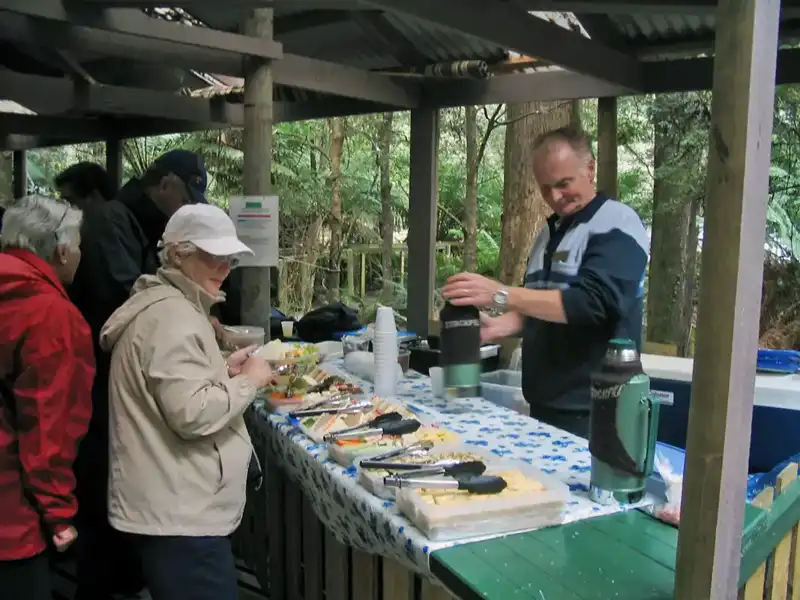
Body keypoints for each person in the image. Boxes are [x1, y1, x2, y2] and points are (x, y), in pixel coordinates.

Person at [99, 204, 272, 600]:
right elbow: (191, 414)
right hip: (181, 519)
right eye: (212, 256)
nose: (224, 267)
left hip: (172, 509)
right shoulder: (173, 317)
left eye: (229, 258)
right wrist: (248, 382)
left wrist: (223, 371)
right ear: (178, 254)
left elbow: (173, 387)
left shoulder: (166, 305)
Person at [442, 125, 649, 438]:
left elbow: (590, 304)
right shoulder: (548, 234)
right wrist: (500, 327)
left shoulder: (617, 223)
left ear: (589, 168)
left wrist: (499, 294)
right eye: (545, 188)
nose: (555, 197)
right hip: (545, 404)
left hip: (598, 411)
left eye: (564, 183)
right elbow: (545, 306)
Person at [70, 149, 209, 600]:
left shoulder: (134, 219)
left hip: (118, 377)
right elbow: (130, 300)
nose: (186, 208)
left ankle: (126, 578)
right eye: (185, 197)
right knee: (106, 481)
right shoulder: (113, 220)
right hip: (102, 379)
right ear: (165, 183)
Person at [0, 195, 94, 599]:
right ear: (60, 250)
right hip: (9, 516)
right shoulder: (50, 316)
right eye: (77, 246)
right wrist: (59, 516)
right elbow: (49, 426)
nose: (80, 254)